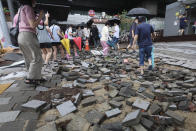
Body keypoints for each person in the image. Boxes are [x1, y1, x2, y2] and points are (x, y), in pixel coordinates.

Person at [14, 0, 44, 84]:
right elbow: (33, 25)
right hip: (28, 35)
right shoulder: (28, 8)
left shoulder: (20, 9)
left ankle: (33, 77)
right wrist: (41, 16)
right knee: (37, 57)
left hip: (21, 35)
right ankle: (32, 78)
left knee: (29, 58)